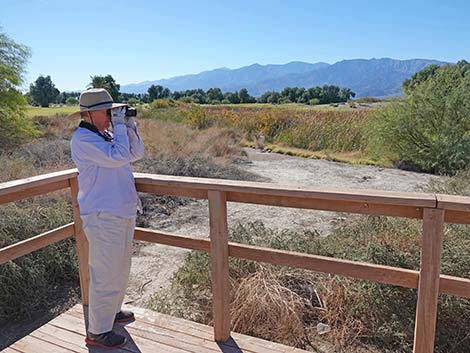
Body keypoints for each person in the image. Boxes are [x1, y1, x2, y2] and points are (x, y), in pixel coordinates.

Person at [69, 88, 145, 349]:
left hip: (120, 211)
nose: (112, 115)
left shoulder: (107, 134)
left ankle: (111, 313)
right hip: (103, 215)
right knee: (104, 273)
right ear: (89, 114)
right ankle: (98, 331)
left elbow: (136, 153)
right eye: (108, 111)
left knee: (120, 269)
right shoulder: (82, 139)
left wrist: (129, 123)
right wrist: (121, 125)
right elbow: (119, 156)